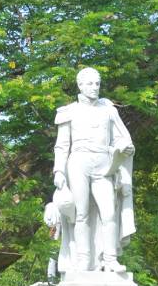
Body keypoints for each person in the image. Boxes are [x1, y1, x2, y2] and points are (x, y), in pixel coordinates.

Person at [51, 67, 135, 273]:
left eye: (97, 83)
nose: (94, 87)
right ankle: (83, 260)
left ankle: (110, 259)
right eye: (90, 83)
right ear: (80, 85)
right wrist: (59, 171)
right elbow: (62, 145)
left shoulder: (108, 110)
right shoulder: (68, 112)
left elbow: (121, 138)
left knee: (109, 213)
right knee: (81, 214)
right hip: (78, 162)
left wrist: (126, 147)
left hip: (104, 164)